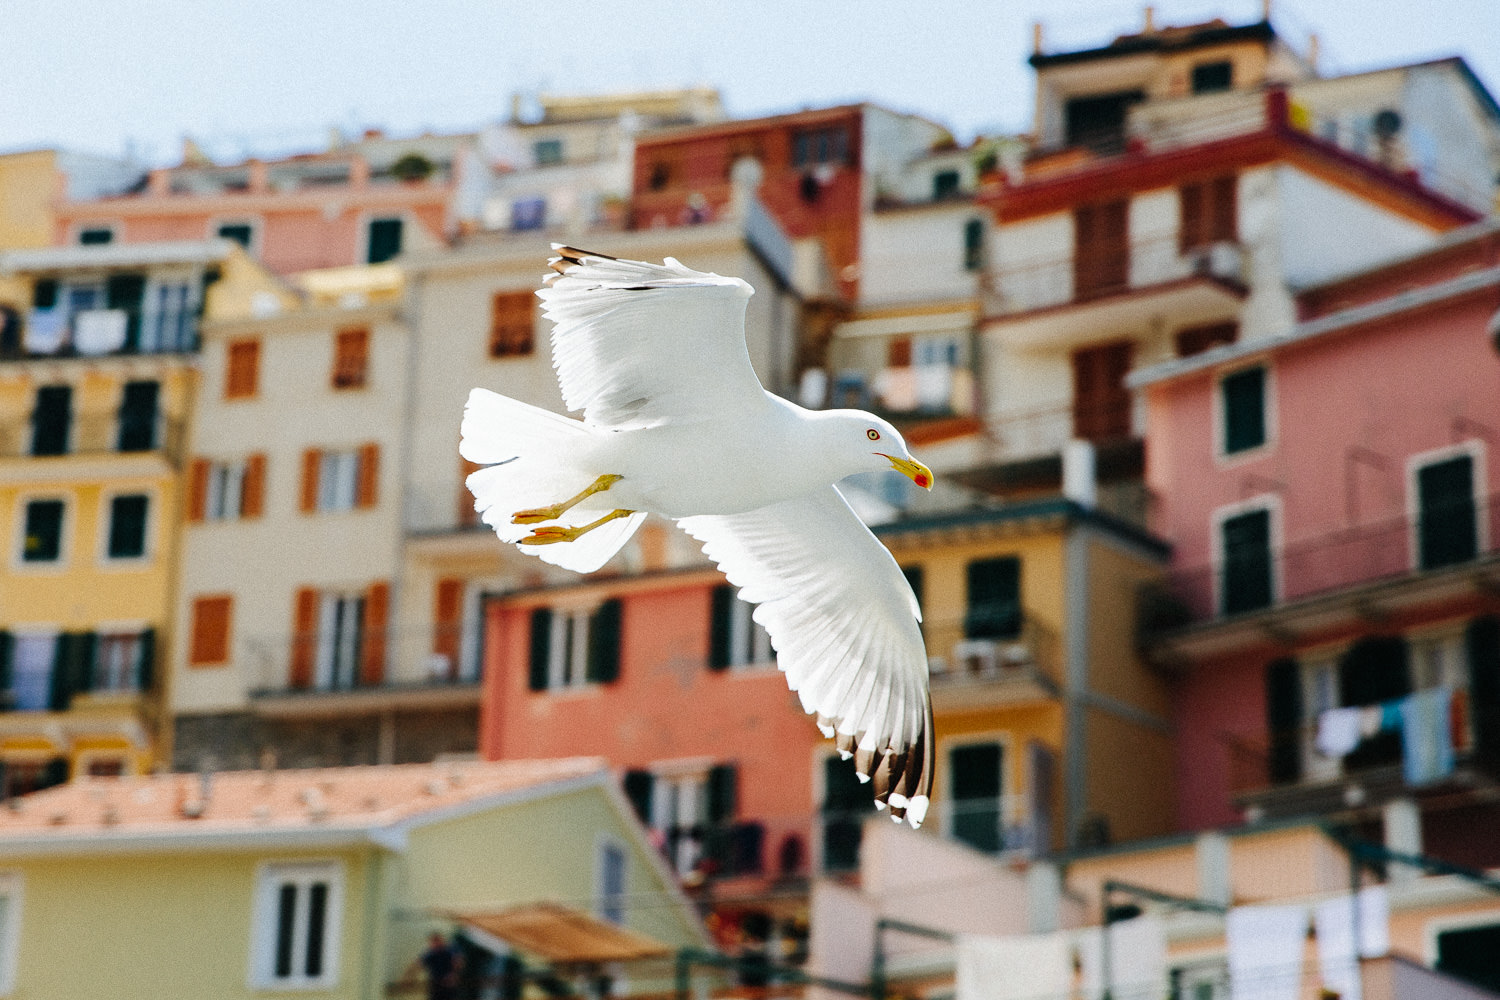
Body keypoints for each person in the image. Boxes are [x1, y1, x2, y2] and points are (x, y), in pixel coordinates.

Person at [419, 931, 462, 1000]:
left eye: (438, 941)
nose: (436, 944)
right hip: (436, 984)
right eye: (434, 942)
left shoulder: (449, 951)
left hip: (449, 983)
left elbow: (458, 961)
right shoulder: (430, 954)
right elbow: (418, 965)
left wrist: (454, 974)